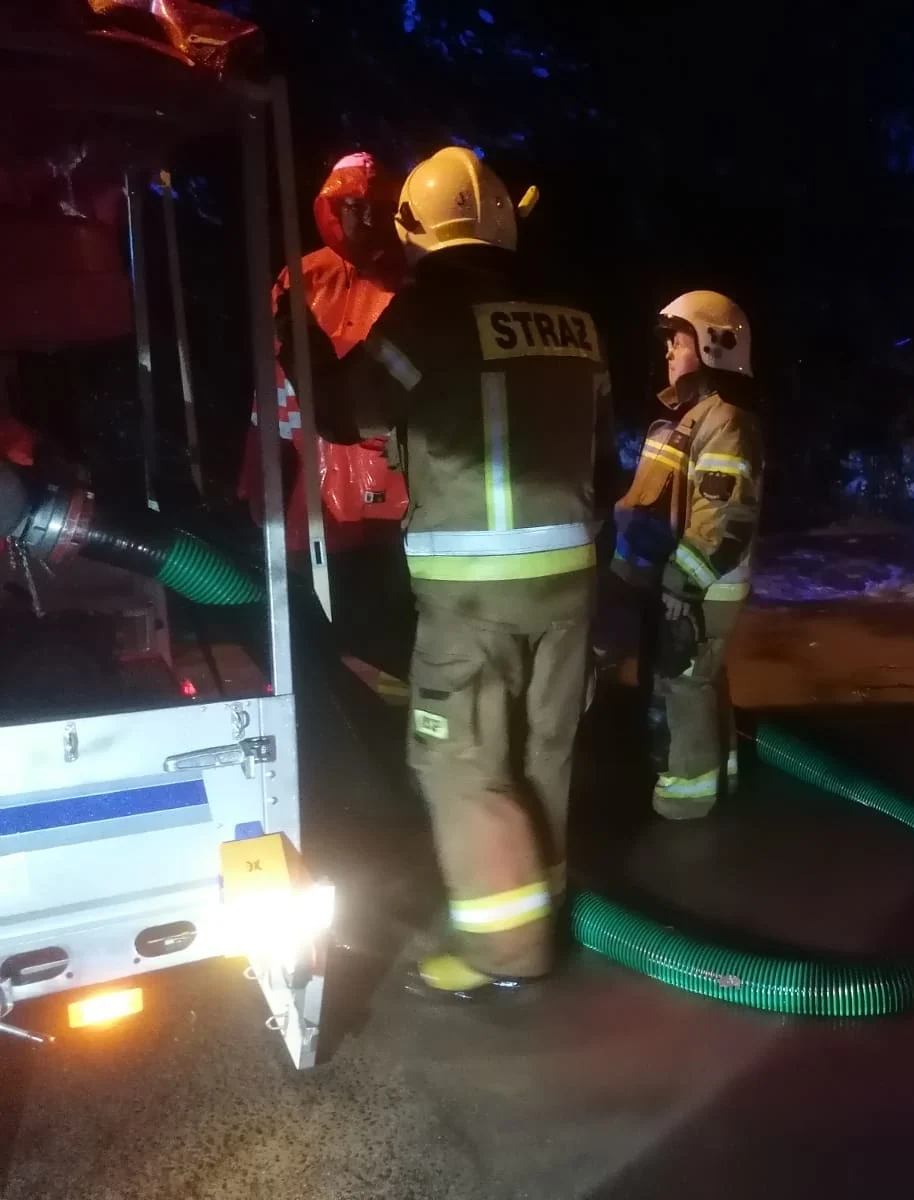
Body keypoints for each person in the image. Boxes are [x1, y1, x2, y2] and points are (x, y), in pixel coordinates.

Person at [287, 147, 614, 1000]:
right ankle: (542, 908)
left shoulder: (424, 319)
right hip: (571, 585)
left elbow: (347, 413)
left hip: (474, 593)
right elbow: (604, 461)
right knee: (543, 755)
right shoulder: (575, 323)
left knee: (459, 761)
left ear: (417, 232)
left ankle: (505, 951)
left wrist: (300, 338)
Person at [611, 291, 764, 820]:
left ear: (713, 346)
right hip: (691, 581)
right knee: (697, 677)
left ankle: (686, 803)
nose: (669, 353)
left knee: (684, 680)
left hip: (702, 586)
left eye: (678, 342)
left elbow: (722, 515)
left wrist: (683, 581)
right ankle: (718, 777)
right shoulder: (695, 417)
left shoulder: (725, 422)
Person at [239, 152, 409, 557]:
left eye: (377, 206)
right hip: (315, 493)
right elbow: (273, 387)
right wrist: (260, 471)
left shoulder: (416, 282)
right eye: (353, 205)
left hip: (402, 494)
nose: (366, 217)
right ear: (332, 208)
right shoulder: (304, 278)